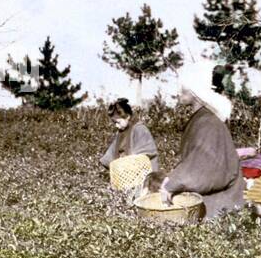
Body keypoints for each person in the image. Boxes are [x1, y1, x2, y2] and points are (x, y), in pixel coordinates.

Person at [154, 60, 245, 221]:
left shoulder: (208, 122)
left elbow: (205, 167)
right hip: (212, 205)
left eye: (185, 86)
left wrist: (173, 183)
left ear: (196, 90)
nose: (180, 89)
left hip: (222, 210)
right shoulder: (202, 119)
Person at [100, 98, 159, 194]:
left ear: (127, 116)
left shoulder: (140, 129)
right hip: (126, 175)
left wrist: (126, 160)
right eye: (114, 123)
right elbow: (111, 155)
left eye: (118, 122)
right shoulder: (121, 133)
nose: (116, 126)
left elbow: (147, 152)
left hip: (140, 174)